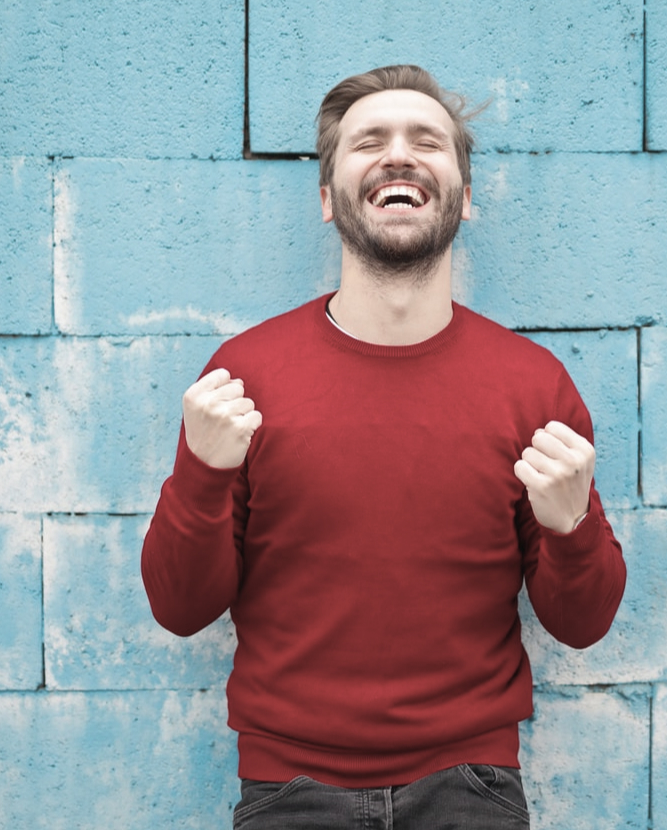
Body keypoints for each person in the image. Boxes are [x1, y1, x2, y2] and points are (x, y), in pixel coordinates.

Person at [141, 64, 626, 830]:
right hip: (286, 791)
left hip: (474, 789)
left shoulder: (534, 387)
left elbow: (583, 622)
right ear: (329, 199)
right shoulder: (244, 380)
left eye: (426, 141)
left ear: (463, 197)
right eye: (370, 141)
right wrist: (201, 477)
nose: (399, 155)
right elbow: (179, 608)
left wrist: (571, 529)